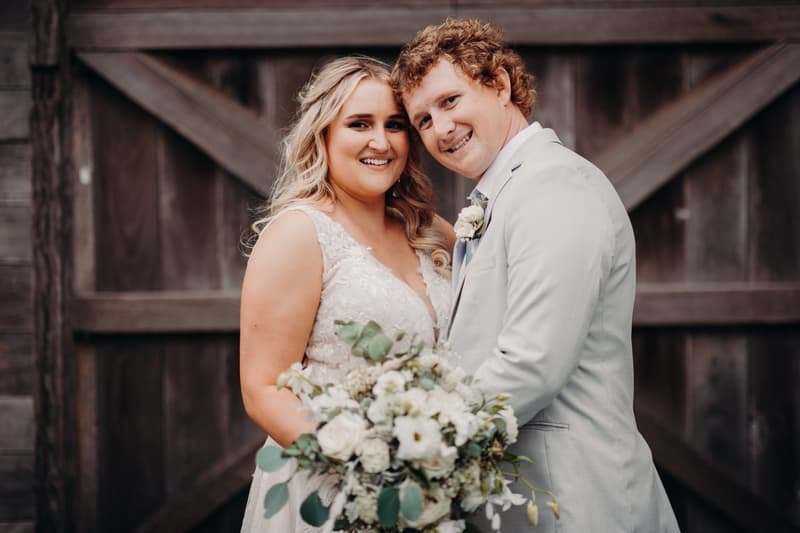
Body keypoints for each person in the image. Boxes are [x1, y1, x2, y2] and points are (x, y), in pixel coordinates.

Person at [393, 19, 680, 532]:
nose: (440, 128)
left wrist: (413, 443)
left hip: (577, 496)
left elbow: (533, 361)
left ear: (499, 85)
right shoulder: (508, 192)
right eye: (422, 120)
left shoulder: (555, 186)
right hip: (527, 498)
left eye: (451, 101)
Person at [239, 56, 454, 532]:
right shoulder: (299, 234)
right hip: (333, 492)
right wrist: (370, 475)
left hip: (429, 492)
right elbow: (263, 390)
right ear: (325, 134)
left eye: (395, 125)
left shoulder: (431, 231)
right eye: (360, 124)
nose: (381, 141)